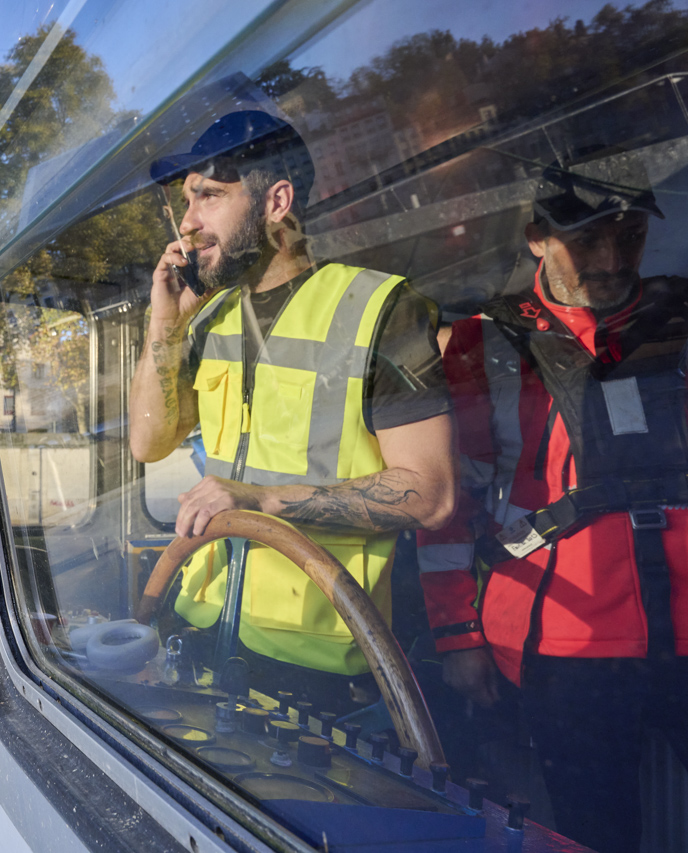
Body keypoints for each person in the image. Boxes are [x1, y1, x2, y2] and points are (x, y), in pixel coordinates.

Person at [129, 108, 456, 713]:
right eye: (187, 201)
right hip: (197, 636)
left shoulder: (383, 307)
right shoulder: (207, 319)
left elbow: (429, 495)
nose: (190, 222)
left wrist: (259, 501)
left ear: (277, 202)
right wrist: (163, 317)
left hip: (318, 665)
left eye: (210, 197)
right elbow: (148, 442)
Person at [417, 147, 688, 853]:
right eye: (586, 237)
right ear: (537, 237)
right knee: (593, 836)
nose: (610, 257)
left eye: (628, 234)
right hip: (560, 645)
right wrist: (456, 635)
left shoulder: (680, 318)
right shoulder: (483, 344)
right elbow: (449, 505)